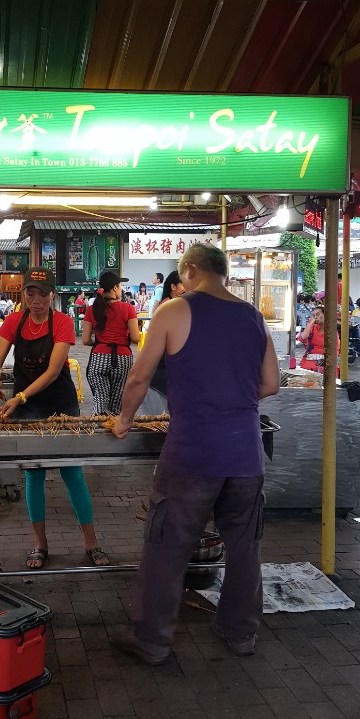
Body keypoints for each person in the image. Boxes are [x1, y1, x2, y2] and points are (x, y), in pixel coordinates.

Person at [109, 243, 279, 665]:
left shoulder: (174, 310)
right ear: (224, 272)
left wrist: (124, 421)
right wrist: (233, 402)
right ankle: (240, 633)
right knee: (245, 548)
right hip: (245, 452)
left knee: (166, 545)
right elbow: (271, 383)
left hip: (192, 453)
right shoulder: (253, 316)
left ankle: (151, 640)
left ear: (189, 270)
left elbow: (138, 377)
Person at [0, 266, 109, 570]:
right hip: (26, 410)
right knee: (34, 477)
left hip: (60, 405)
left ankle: (91, 543)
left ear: (52, 294)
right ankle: (40, 544)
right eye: (31, 292)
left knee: (72, 474)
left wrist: (19, 397)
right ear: (24, 294)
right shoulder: (14, 321)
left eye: (42, 293)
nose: (36, 298)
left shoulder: (64, 323)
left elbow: (54, 372)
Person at [82, 271, 140, 414]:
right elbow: (135, 338)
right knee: (116, 404)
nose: (121, 289)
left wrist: (100, 343)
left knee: (100, 402)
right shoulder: (128, 308)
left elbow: (85, 340)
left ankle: (98, 430)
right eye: (120, 286)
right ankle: (114, 431)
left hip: (99, 357)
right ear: (115, 288)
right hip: (122, 359)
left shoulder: (92, 309)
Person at [137, 271, 186, 416]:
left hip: (166, 378)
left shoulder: (176, 306)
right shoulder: (169, 308)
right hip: (159, 379)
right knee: (157, 426)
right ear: (173, 286)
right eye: (183, 284)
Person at [299, 305, 338, 372]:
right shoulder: (312, 328)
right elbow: (302, 338)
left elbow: (335, 350)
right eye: (313, 316)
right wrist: (310, 324)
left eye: (318, 314)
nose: (315, 317)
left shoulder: (332, 332)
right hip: (309, 360)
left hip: (324, 361)